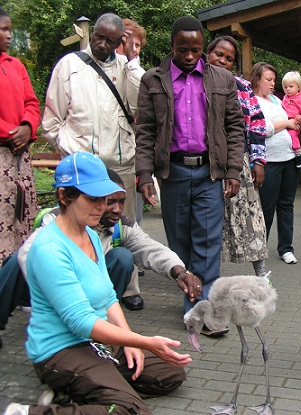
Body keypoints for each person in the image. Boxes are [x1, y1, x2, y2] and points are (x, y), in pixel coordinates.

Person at [3, 152, 191, 415]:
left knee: (169, 374)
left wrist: (131, 342)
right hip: (60, 348)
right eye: (92, 199)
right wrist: (144, 340)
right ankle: (26, 412)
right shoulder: (49, 248)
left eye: (104, 198)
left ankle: (83, 390)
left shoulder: (90, 234)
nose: (102, 206)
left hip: (96, 339)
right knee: (131, 410)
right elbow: (80, 322)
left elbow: (108, 298)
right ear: (64, 197)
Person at [135, 16, 244, 333]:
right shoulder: (152, 80)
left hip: (210, 173)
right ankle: (192, 293)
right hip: (173, 174)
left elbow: (235, 128)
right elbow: (144, 131)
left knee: (208, 244)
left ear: (202, 48)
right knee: (180, 243)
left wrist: (233, 169)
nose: (189, 55)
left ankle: (204, 313)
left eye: (195, 49)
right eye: (183, 49)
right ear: (172, 46)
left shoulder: (222, 80)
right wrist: (144, 175)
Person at [18, 168, 203, 303]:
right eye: (110, 202)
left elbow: (152, 249)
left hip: (93, 298)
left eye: (122, 202)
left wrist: (181, 272)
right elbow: (29, 255)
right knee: (13, 264)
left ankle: (103, 316)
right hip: (56, 293)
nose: (118, 210)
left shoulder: (121, 225)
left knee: (122, 257)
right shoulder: (59, 221)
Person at [42, 13, 142, 222]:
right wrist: (69, 150)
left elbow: (138, 105)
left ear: (119, 42)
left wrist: (133, 61)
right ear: (94, 32)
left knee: (123, 232)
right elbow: (51, 122)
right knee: (81, 228)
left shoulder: (126, 67)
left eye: (110, 41)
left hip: (120, 167)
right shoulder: (69, 65)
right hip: (81, 169)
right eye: (99, 37)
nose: (102, 44)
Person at [205, 35, 270, 278]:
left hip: (239, 161)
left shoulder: (241, 86)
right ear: (207, 53)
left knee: (251, 217)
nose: (222, 60)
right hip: (206, 162)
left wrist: (258, 161)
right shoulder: (195, 82)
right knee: (210, 220)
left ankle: (261, 274)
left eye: (229, 58)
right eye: (218, 54)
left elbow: (257, 124)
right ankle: (207, 276)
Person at [250, 62, 301, 265]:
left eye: (274, 80)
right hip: (269, 161)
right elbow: (261, 128)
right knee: (267, 207)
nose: (273, 84)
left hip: (289, 158)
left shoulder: (276, 100)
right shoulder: (252, 101)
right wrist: (287, 123)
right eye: (268, 80)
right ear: (256, 80)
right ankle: (260, 247)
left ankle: (286, 248)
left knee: (286, 204)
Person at [0, 7, 40, 263]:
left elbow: (32, 103)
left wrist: (27, 126)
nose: (8, 34)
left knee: (21, 219)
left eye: (9, 29)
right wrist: (12, 133)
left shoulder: (16, 66)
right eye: (3, 28)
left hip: (19, 158)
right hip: (3, 151)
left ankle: (21, 284)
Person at [114, 17, 148, 308]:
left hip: (126, 155)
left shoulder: (134, 70)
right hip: (93, 156)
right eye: (126, 41)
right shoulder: (97, 65)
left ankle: (129, 288)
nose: (131, 48)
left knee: (127, 222)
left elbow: (142, 102)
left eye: (136, 44)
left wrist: (132, 64)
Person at [281, 70, 301, 168]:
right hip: (285, 121)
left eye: (291, 86)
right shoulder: (285, 97)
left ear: (298, 87)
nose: (288, 89)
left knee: (292, 136)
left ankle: (299, 153)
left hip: (295, 122)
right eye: (285, 87)